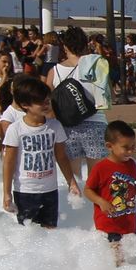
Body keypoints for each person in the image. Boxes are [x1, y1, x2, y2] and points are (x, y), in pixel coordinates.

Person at [1, 76, 80, 228]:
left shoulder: (55, 126)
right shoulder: (16, 129)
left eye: (47, 100)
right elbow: (9, 162)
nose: (46, 105)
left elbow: (61, 156)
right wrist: (6, 192)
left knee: (50, 231)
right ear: (25, 105)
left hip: (50, 189)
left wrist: (72, 182)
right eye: (40, 102)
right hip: (25, 191)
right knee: (28, 233)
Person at [45, 24, 111, 185]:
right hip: (96, 124)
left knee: (73, 180)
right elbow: (107, 94)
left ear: (65, 46)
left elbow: (48, 104)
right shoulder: (96, 64)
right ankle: (94, 210)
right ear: (85, 44)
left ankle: (75, 207)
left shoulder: (54, 71)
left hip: (67, 127)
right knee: (97, 179)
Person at [84, 120, 136, 266]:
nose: (130, 151)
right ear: (109, 146)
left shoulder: (130, 164)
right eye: (126, 148)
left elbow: (129, 186)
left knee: (127, 257)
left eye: (133, 146)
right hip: (109, 223)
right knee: (116, 260)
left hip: (128, 222)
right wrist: (101, 201)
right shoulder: (101, 168)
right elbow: (87, 190)